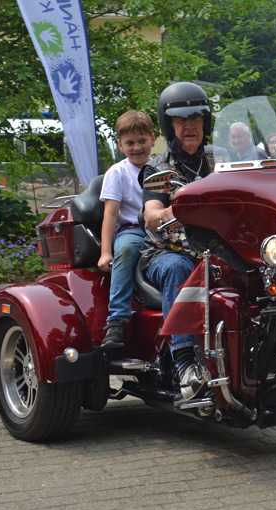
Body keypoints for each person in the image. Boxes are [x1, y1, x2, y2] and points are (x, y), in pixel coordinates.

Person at [140, 82, 228, 401]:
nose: (189, 125)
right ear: (170, 125)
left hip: (216, 251)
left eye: (196, 118)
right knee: (178, 269)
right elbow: (151, 212)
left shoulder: (222, 161)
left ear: (206, 122)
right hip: (166, 251)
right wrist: (164, 212)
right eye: (181, 120)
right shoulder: (159, 168)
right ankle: (186, 364)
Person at [97, 110, 155, 348]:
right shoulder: (117, 172)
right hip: (133, 228)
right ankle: (117, 321)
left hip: (163, 228)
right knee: (128, 249)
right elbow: (110, 213)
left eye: (142, 141)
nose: (137, 148)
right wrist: (105, 251)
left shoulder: (163, 167)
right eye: (130, 143)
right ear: (120, 145)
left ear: (152, 139)